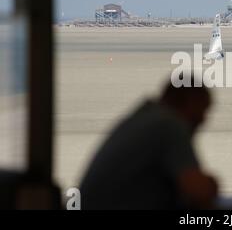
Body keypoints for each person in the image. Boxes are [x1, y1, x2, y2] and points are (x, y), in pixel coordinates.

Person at [80, 74, 218, 210]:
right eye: (203, 110)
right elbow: (198, 191)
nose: (203, 120)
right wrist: (212, 184)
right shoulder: (168, 125)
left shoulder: (146, 118)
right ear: (191, 102)